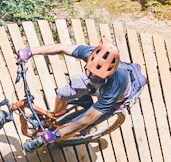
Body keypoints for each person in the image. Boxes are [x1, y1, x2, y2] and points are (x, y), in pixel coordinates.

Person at [12, 41, 146, 151]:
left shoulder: (115, 86)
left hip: (115, 98)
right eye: (90, 72)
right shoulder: (92, 55)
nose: (93, 78)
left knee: (79, 126)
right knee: (62, 94)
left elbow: (85, 120)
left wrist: (55, 135)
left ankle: (58, 134)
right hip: (99, 85)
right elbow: (62, 47)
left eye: (97, 77)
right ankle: (56, 116)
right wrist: (30, 51)